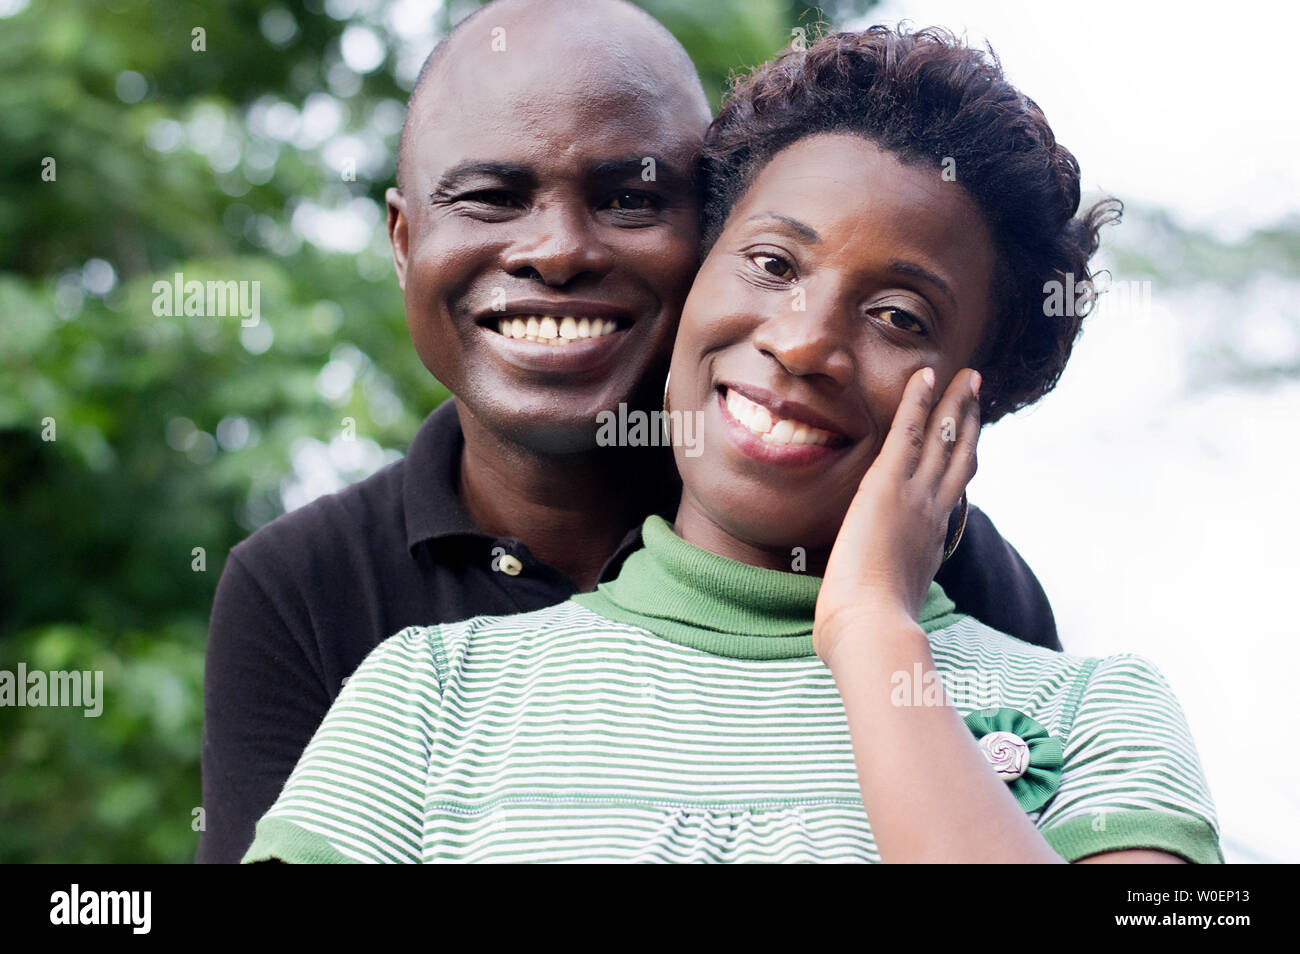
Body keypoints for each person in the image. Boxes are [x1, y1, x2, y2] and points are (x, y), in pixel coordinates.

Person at [241, 24, 1222, 864]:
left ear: (978, 396)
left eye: (896, 315)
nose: (800, 340)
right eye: (769, 261)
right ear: (693, 280)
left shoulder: (1100, 715)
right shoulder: (423, 699)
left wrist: (873, 632)